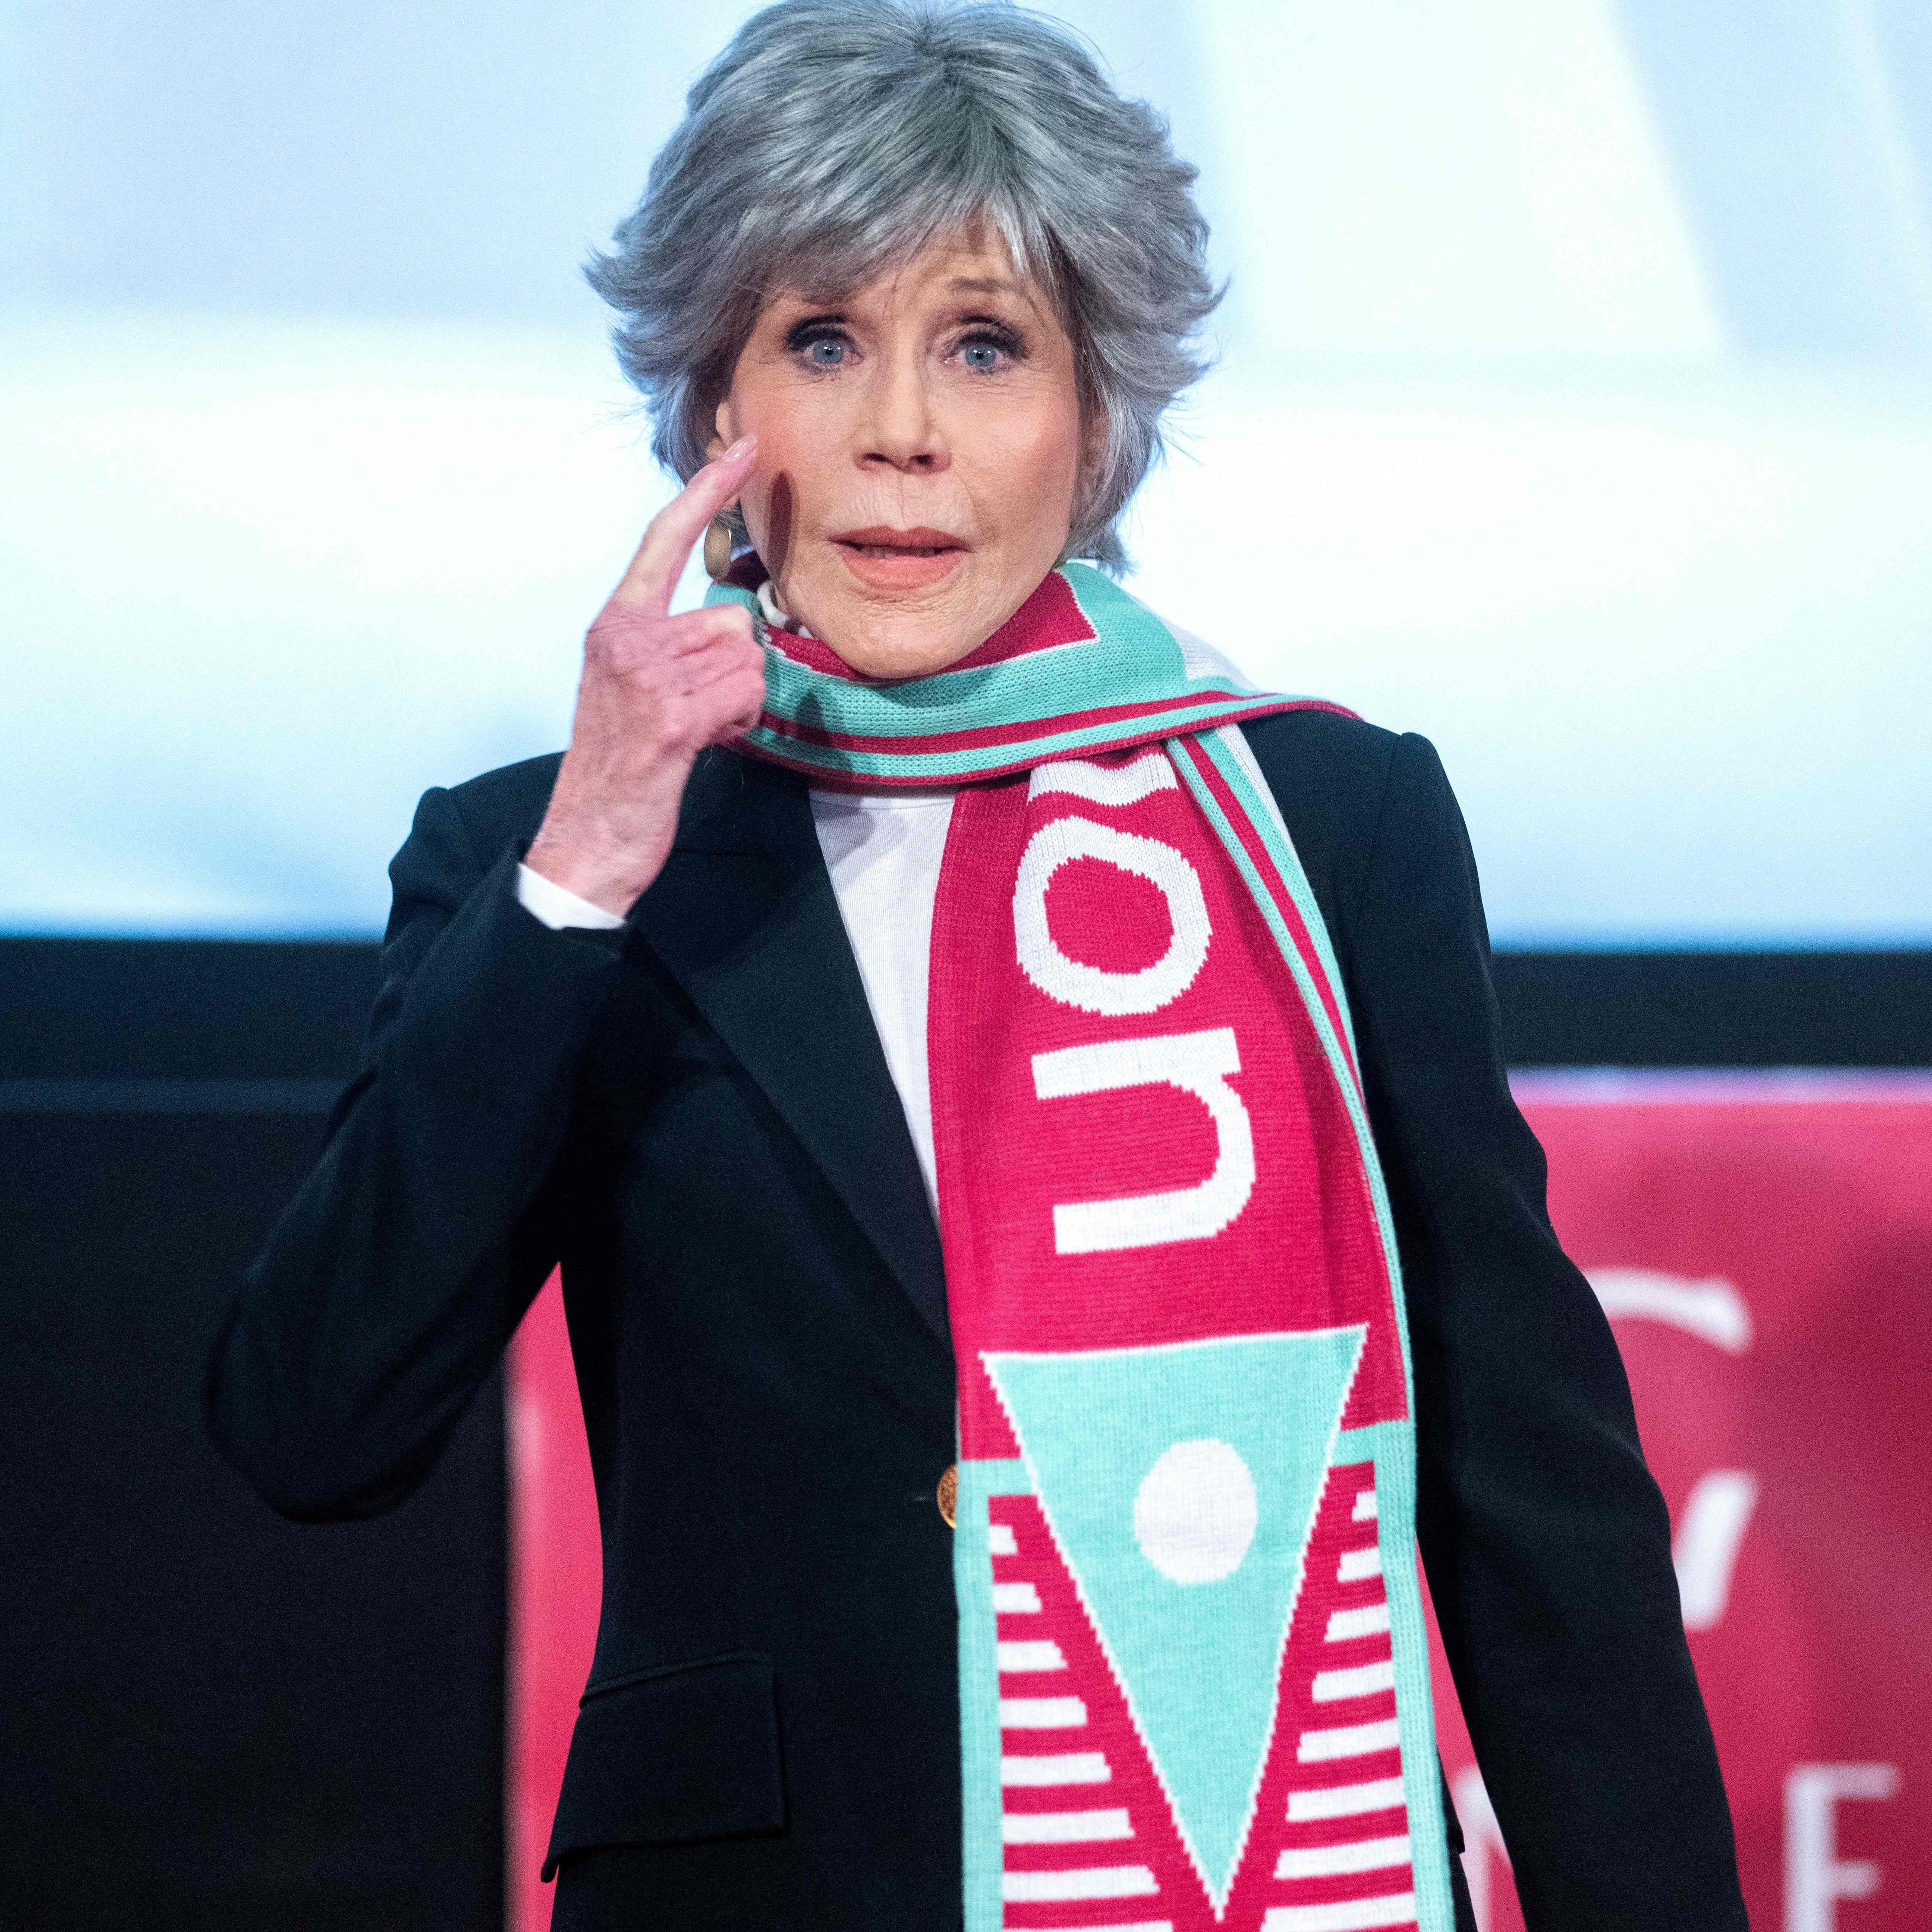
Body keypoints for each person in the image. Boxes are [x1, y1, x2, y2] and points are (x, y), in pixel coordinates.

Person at [205, 4, 1748, 1928]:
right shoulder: (560, 848)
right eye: (823, 342)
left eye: (987, 345)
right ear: (712, 413)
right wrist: (586, 868)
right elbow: (314, 1424)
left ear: (1099, 417)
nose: (904, 432)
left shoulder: (1332, 825)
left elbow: (1538, 1510)